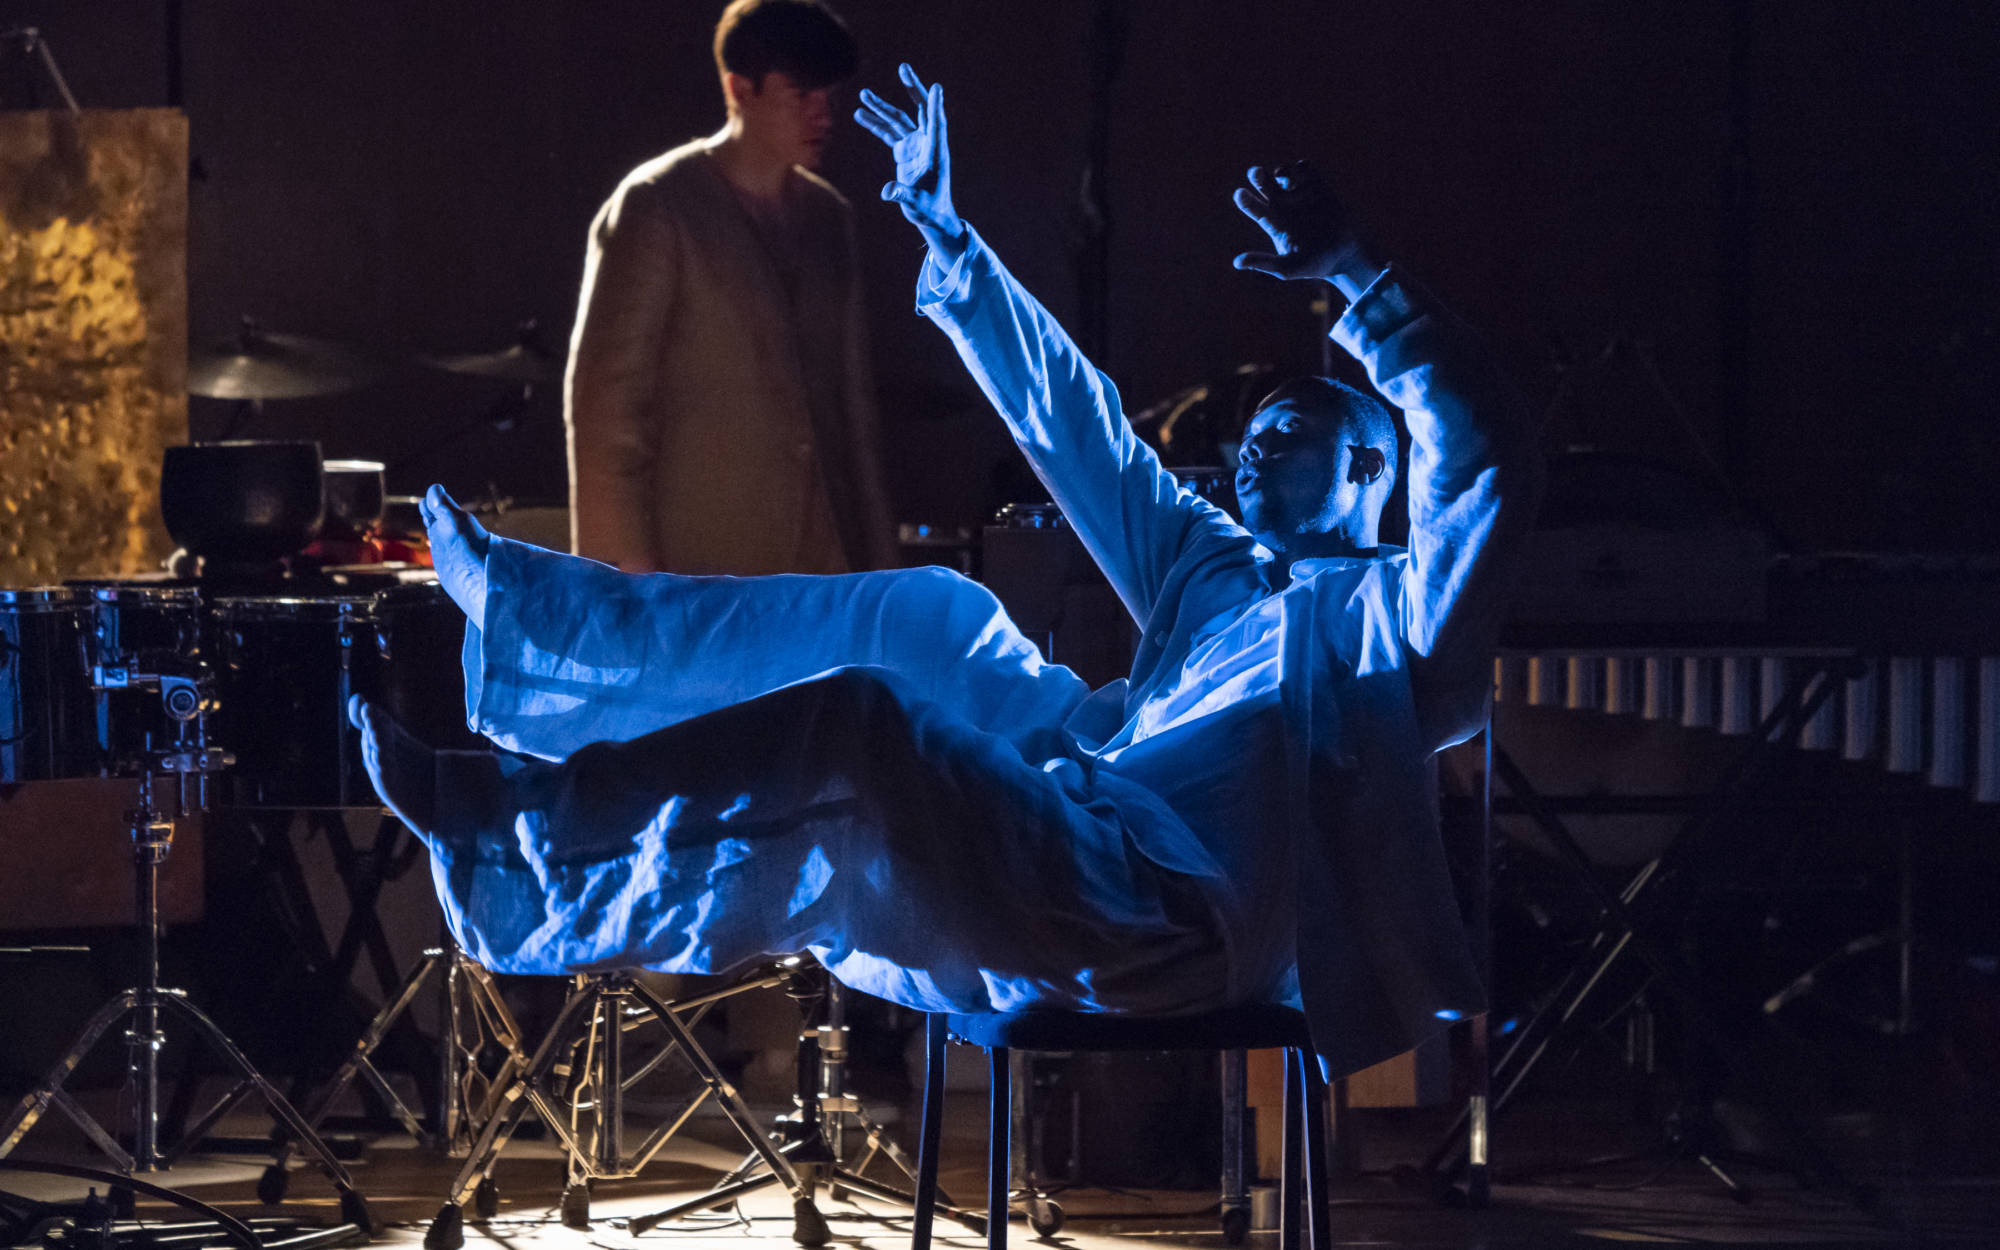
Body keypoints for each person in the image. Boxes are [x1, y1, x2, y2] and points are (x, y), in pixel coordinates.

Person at [357, 66, 1541, 1079]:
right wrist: (950, 238)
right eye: (1254, 433)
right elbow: (1078, 428)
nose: (1252, 450)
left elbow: (1486, 453)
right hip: (1076, 812)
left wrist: (1362, 278)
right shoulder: (1210, 567)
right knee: (929, 612)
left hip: (1169, 916)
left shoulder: (1400, 619)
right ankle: (541, 619)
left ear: (1370, 467)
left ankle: (510, 838)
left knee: (862, 719)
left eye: (1288, 435)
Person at [566, 0, 895, 576]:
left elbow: (855, 416)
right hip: (701, 571)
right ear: (740, 88)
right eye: (802, 93)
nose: (823, 114)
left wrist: (882, 574)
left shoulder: (830, 218)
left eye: (829, 94)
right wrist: (627, 587)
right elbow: (607, 417)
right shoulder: (658, 205)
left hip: (825, 574)